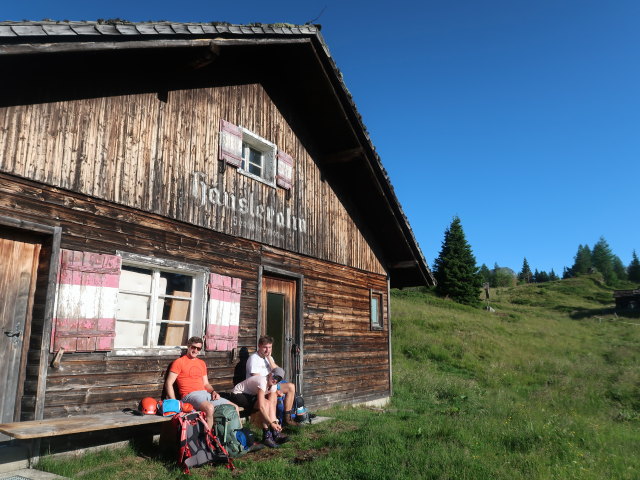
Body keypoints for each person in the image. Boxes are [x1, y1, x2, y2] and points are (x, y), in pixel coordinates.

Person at [165, 336, 238, 429]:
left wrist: (213, 392)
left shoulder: (201, 363)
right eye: (193, 347)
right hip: (189, 395)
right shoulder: (179, 362)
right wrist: (175, 403)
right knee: (209, 408)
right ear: (188, 346)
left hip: (204, 393)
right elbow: (169, 383)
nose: (195, 350)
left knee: (234, 407)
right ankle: (208, 438)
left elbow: (206, 384)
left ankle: (235, 439)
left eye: (198, 348)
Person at [221, 368, 288, 448]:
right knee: (265, 403)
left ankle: (274, 433)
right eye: (275, 377)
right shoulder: (263, 381)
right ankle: (266, 436)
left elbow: (272, 405)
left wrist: (275, 423)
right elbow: (261, 407)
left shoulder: (273, 385)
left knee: (269, 403)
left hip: (250, 395)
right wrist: (271, 423)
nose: (275, 380)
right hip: (238, 394)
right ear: (270, 374)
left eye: (279, 379)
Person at [246, 335, 298, 426]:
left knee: (291, 387)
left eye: (269, 347)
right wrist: (275, 389)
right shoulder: (254, 359)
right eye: (265, 347)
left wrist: (269, 358)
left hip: (270, 385)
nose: (267, 350)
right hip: (258, 388)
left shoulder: (268, 357)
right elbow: (256, 379)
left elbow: (279, 371)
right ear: (259, 346)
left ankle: (287, 418)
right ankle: (272, 424)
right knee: (273, 394)